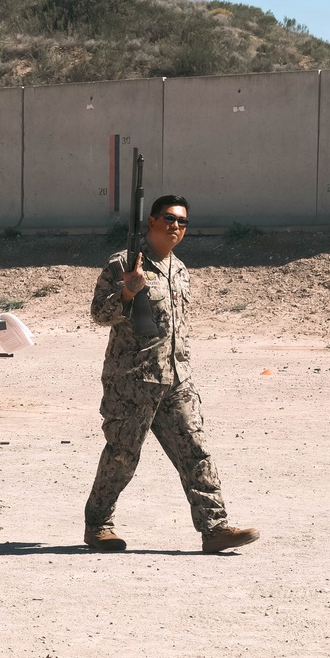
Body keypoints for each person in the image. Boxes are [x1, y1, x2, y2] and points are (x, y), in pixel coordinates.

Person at [84, 194, 260, 554]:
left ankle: (215, 528)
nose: (176, 226)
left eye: (182, 221)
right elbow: (99, 315)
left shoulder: (179, 269)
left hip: (177, 380)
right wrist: (128, 291)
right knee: (122, 456)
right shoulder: (123, 263)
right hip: (132, 381)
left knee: (196, 452)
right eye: (168, 218)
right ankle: (98, 524)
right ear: (151, 221)